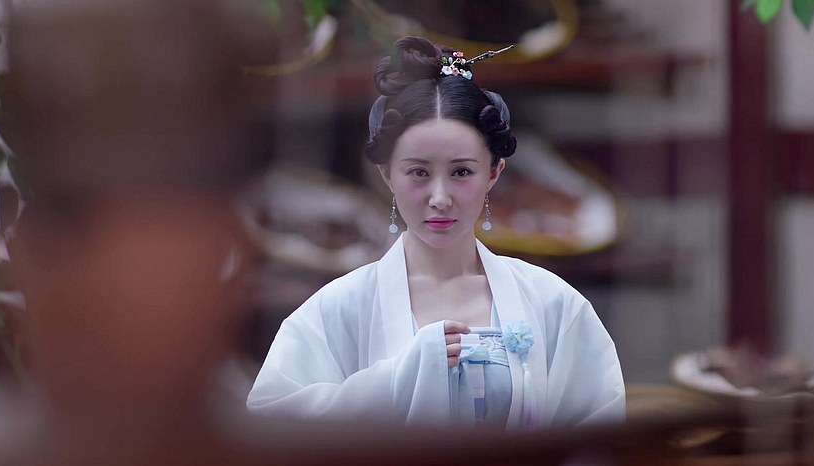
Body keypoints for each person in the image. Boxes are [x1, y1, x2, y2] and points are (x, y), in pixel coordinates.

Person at [247, 36, 625, 431]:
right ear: (386, 175)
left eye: (461, 172)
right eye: (418, 172)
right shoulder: (337, 310)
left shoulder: (553, 303)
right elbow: (273, 425)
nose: (440, 198)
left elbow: (599, 431)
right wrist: (400, 377)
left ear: (494, 173)